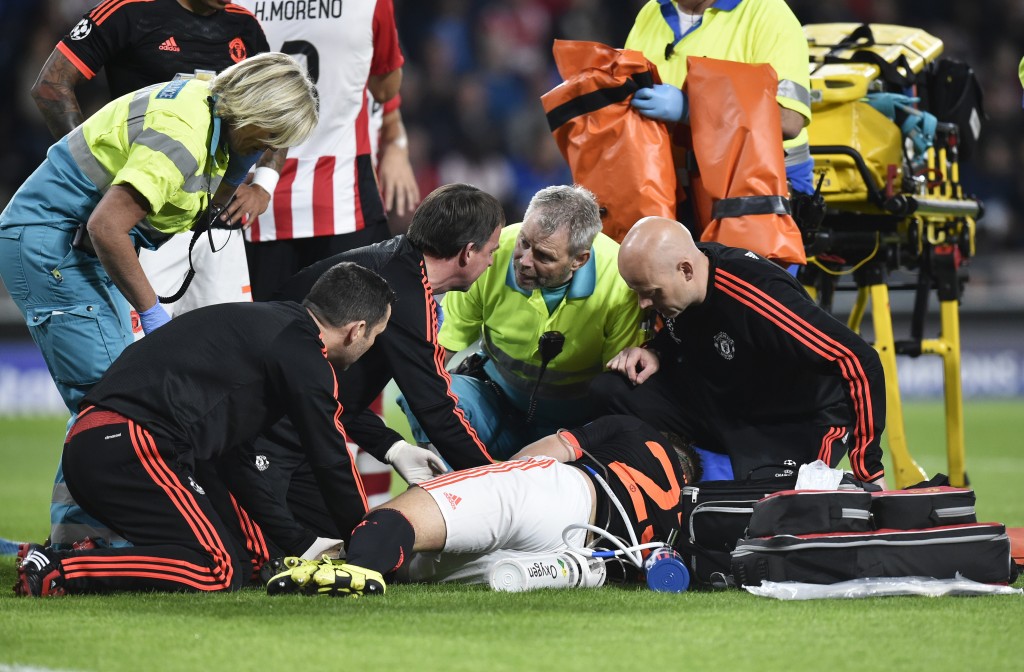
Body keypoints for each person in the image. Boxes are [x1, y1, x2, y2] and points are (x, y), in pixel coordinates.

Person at [0, 52, 318, 546]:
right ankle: (85, 545)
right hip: (54, 245)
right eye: (275, 139)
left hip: (76, 247)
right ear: (258, 120)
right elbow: (106, 226)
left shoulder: (215, 109)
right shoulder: (182, 138)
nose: (274, 150)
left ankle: (87, 537)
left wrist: (240, 173)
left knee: (114, 396)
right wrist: (153, 314)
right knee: (110, 400)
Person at [13, 262, 394, 597]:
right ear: (356, 329)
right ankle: (61, 569)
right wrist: (363, 549)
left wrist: (301, 542)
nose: (371, 345)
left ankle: (88, 556)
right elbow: (330, 458)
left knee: (242, 565)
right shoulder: (304, 355)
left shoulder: (264, 327)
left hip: (101, 441)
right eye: (375, 336)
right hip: (134, 443)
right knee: (219, 569)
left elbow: (234, 460)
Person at [218, 183, 504, 555]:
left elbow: (335, 391)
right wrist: (501, 481)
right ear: (468, 252)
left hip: (298, 428)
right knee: (248, 560)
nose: (492, 262)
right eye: (491, 252)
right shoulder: (404, 294)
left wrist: (392, 445)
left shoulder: (395, 266)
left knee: (344, 551)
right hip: (259, 431)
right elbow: (436, 409)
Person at [591, 217, 887, 486]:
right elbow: (686, 332)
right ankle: (658, 480)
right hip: (730, 403)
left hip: (796, 420)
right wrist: (656, 351)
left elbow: (858, 359)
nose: (644, 303)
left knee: (767, 511)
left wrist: (868, 469)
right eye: (638, 292)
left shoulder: (759, 294)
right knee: (611, 389)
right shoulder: (677, 277)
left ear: (686, 270)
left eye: (651, 292)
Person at [264, 415, 699, 596]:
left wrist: (488, 481)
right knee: (412, 568)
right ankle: (332, 560)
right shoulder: (678, 519)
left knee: (403, 523)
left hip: (560, 494)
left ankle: (352, 568)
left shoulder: (637, 430)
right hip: (576, 563)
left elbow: (544, 454)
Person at [31, 0, 272, 316]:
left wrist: (264, 183)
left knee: (229, 352)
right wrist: (93, 176)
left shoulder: (245, 25)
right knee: (138, 353)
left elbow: (278, 104)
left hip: (216, 223)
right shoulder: (129, 11)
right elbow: (51, 86)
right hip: (145, 216)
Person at [399, 185, 646, 460]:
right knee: (424, 387)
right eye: (524, 242)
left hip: (570, 433)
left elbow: (615, 393)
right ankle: (452, 490)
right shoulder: (491, 252)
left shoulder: (619, 282)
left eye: (544, 256)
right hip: (494, 406)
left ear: (580, 259)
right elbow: (438, 350)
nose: (524, 261)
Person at [237, 0, 405, 300]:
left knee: (261, 331)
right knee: (353, 326)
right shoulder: (369, 4)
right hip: (341, 195)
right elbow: (384, 90)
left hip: (253, 196)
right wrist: (395, 140)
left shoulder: (238, 4)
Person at [625, 0, 814, 196]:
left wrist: (693, 110)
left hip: (758, 190)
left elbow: (789, 120)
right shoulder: (652, 12)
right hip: (667, 186)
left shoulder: (768, 12)